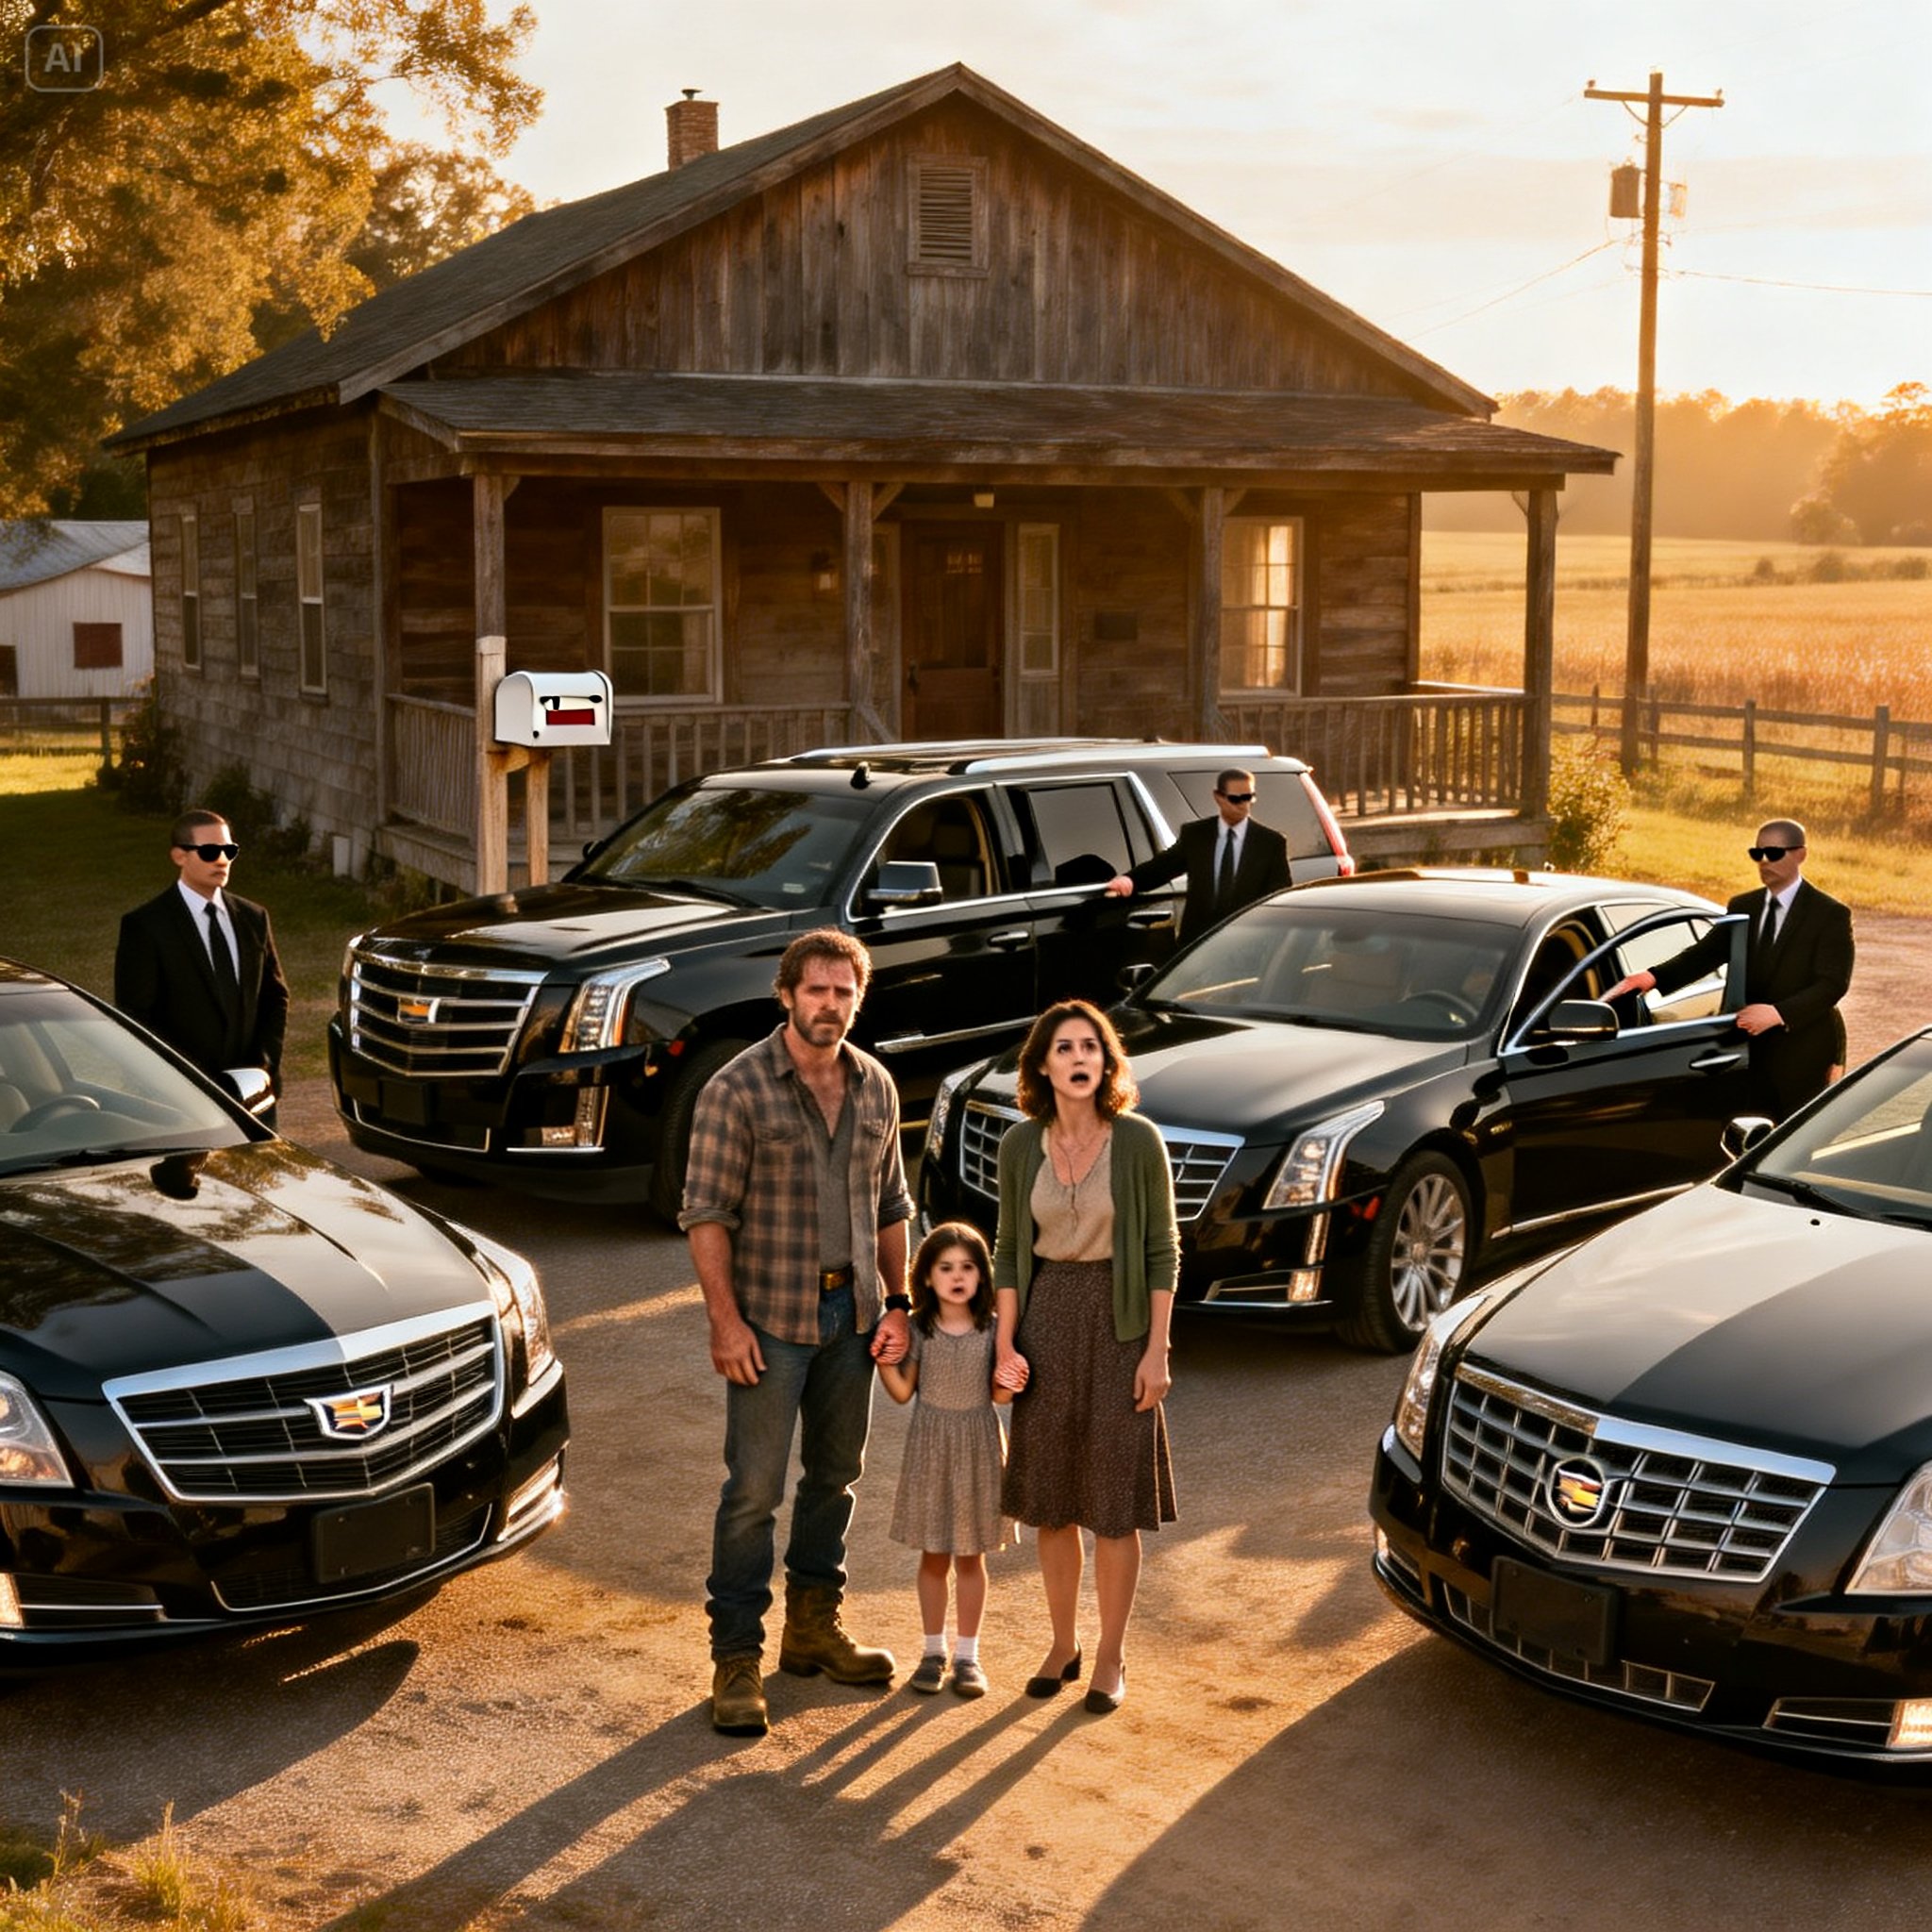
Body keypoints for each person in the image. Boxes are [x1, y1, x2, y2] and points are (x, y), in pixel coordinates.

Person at [679, 926, 914, 1738]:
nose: (830, 1005)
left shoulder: (877, 1085)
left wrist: (901, 1302)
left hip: (853, 1321)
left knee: (834, 1480)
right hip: (770, 1326)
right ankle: (735, 1658)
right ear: (786, 995)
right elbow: (706, 1213)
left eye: (844, 991)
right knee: (752, 1494)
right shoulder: (736, 1090)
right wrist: (725, 1321)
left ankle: (812, 1632)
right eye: (815, 990)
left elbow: (892, 1207)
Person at [992, 998, 1178, 1717]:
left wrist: (1157, 1351)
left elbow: (1164, 1250)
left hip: (1120, 1324)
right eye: (1063, 1048)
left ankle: (1110, 1655)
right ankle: (1062, 1643)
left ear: (1107, 1063)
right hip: (1045, 1323)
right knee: (1051, 1502)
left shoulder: (1136, 1141)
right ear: (1043, 1063)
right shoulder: (1019, 1147)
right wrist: (1006, 1344)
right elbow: (1010, 1251)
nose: (1078, 1059)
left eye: (1090, 1048)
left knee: (1112, 1507)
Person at [1604, 817, 1854, 1120]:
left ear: (1800, 854)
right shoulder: (1742, 906)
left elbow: (1832, 984)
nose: (1764, 862)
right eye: (1757, 854)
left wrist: (1777, 1014)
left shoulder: (1830, 914)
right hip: (1749, 1052)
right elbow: (1705, 954)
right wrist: (1652, 977)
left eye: (1774, 854)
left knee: (1794, 1140)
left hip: (1804, 1053)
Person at [875, 1220, 1014, 1700]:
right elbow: (901, 1392)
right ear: (927, 1278)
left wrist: (1013, 1377)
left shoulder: (993, 1328)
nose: (958, 1276)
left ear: (982, 1276)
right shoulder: (919, 1330)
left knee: (971, 1558)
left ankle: (968, 1657)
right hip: (931, 1447)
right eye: (946, 1267)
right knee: (934, 1557)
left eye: (968, 1267)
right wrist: (882, 1362)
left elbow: (997, 1395)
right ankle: (932, 1653)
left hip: (977, 1444)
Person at [114, 808, 289, 1111]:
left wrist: (263, 1066)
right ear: (179, 856)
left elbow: (275, 998)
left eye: (229, 850)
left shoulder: (254, 918)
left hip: (253, 1098)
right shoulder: (145, 926)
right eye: (210, 851)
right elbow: (137, 1018)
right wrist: (186, 1084)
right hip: (181, 1102)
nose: (222, 860)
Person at [1105, 768, 1291, 944]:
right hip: (1197, 944)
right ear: (1218, 797)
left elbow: (1279, 897)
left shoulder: (1270, 842)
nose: (1243, 804)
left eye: (1248, 797)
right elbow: (1162, 867)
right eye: (1235, 798)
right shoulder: (1196, 835)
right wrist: (1130, 880)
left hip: (1247, 941)